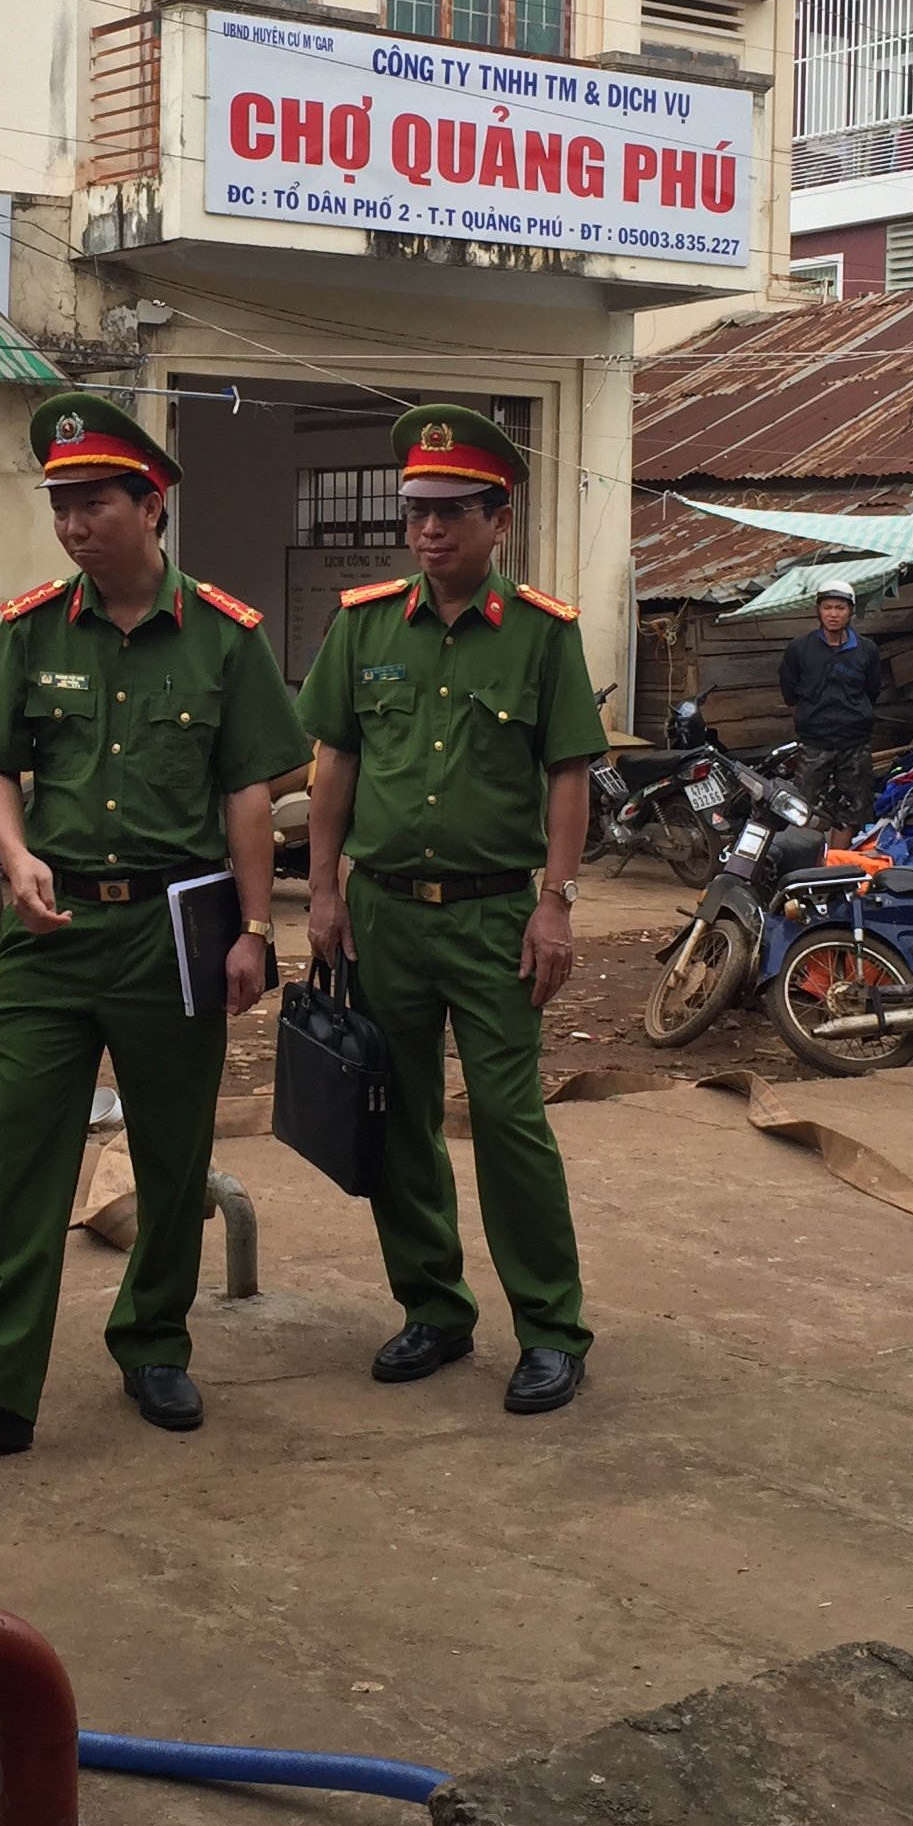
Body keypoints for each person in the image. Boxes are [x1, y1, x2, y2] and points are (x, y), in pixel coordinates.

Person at [0, 394, 298, 1457]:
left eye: (94, 503)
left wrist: (252, 929)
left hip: (170, 934)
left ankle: (154, 1342)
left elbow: (250, 798)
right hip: (49, 944)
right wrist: (11, 858)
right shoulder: (29, 631)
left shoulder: (227, 641)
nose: (73, 524)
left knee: (170, 1149)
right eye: (60, 505)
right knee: (20, 1157)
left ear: (151, 505)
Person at [301, 405, 609, 1416]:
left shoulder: (541, 637)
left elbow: (570, 777)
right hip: (386, 914)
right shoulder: (363, 625)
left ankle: (552, 1330)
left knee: (511, 1121)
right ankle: (433, 1307)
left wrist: (554, 905)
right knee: (397, 1122)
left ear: (498, 518)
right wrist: (325, 892)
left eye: (451, 513)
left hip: (491, 920)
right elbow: (335, 765)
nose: (428, 532)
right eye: (416, 512)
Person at [779, 580, 888, 830]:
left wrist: (856, 715)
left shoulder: (866, 649)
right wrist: (810, 719)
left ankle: (841, 861)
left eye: (840, 608)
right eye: (827, 607)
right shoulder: (800, 648)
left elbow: (872, 690)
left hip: (855, 743)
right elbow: (789, 690)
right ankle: (807, 861)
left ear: (850, 611)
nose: (833, 614)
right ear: (818, 610)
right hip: (815, 742)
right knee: (802, 807)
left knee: (854, 809)